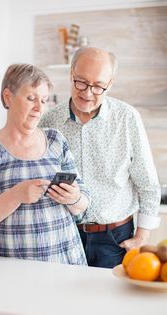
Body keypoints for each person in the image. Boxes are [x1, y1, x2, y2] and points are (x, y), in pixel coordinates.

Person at [40, 47, 161, 268]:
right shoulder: (49, 121)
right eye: (81, 82)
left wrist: (141, 238)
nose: (87, 93)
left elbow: (148, 184)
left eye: (98, 86)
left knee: (110, 302)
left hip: (115, 239)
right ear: (71, 74)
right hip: (64, 234)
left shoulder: (127, 118)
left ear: (110, 84)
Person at [0, 63, 90, 265]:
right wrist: (15, 195)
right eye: (31, 98)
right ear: (8, 97)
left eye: (44, 100)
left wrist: (74, 198)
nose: (39, 108)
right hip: (10, 269)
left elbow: (83, 202)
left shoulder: (56, 140)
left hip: (65, 263)